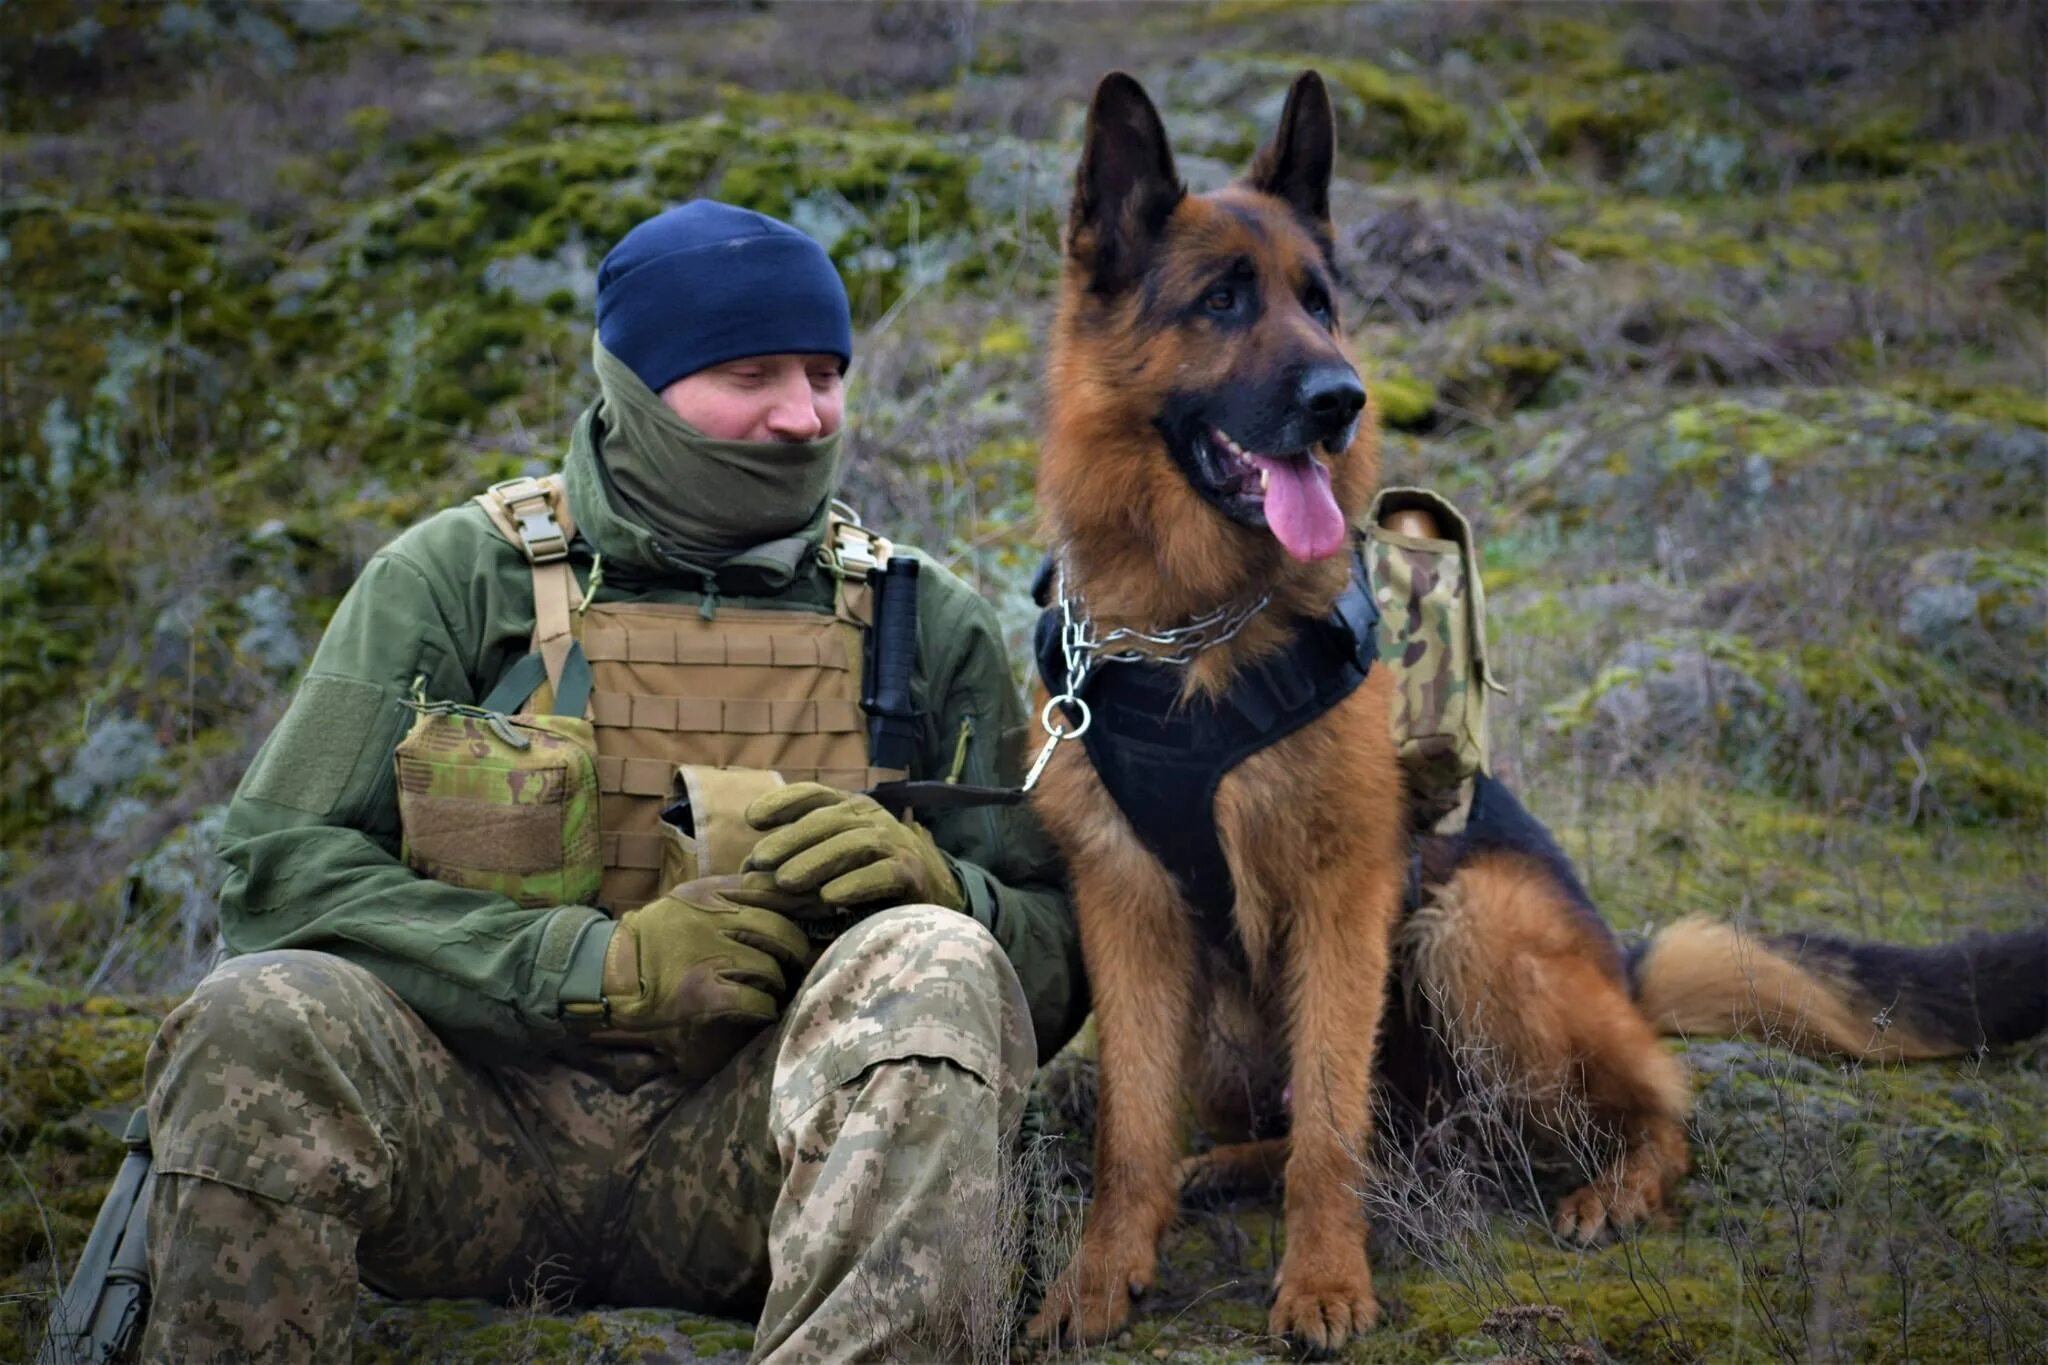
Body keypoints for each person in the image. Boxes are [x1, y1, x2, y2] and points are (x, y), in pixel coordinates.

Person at [139, 200, 1086, 1363]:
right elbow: (276, 876)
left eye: (825, 373)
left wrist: (945, 887)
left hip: (758, 1169)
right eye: (751, 374)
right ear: (637, 384)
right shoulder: (455, 579)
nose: (802, 415)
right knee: (256, 1015)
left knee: (939, 962)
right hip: (476, 1146)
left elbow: (1061, 952)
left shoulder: (918, 618)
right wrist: (596, 968)